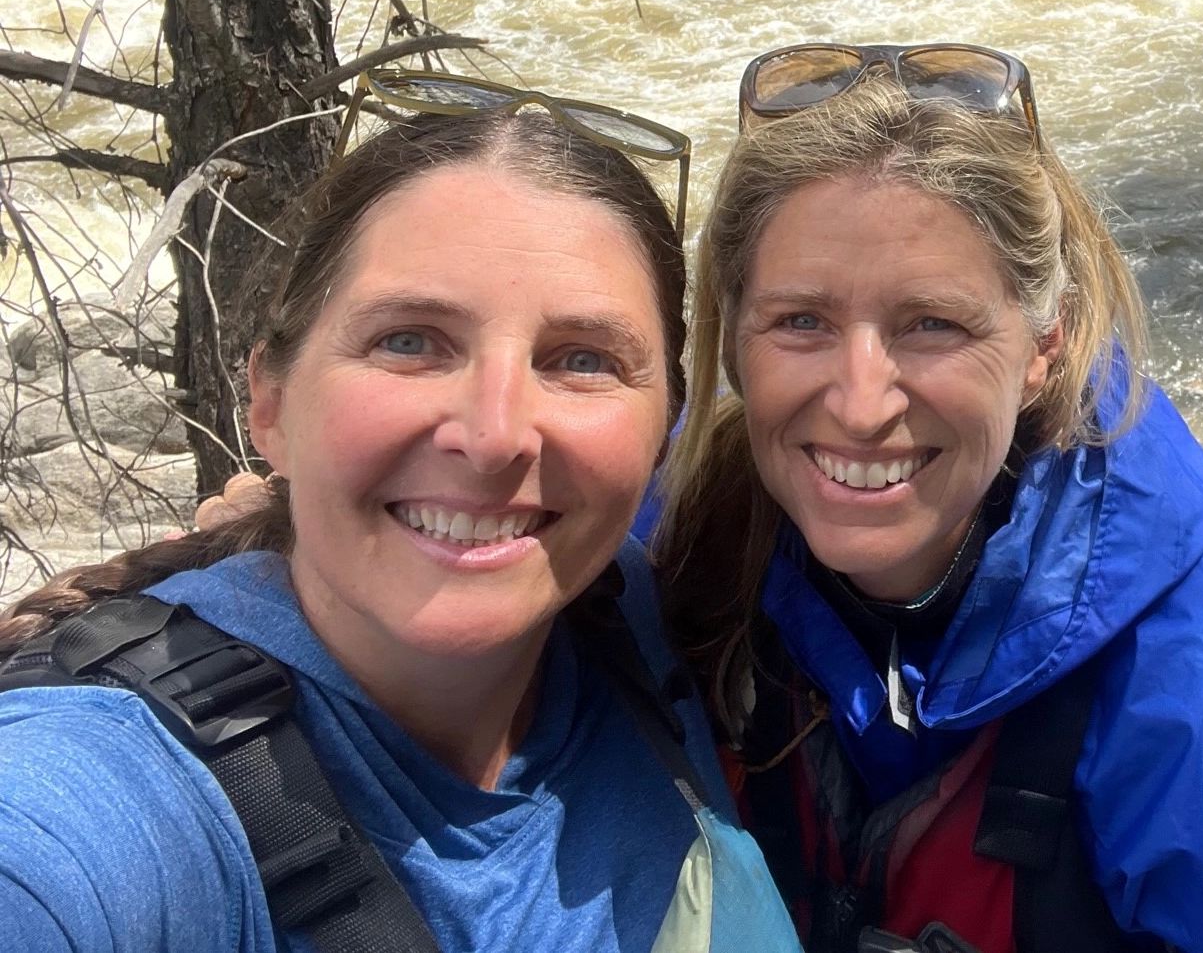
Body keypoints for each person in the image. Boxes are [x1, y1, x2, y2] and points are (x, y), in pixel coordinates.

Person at [0, 87, 801, 953]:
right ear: (270, 403)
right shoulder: (106, 796)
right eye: (409, 342)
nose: (494, 436)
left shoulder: (640, 607)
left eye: (581, 359)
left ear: (661, 434)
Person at [651, 44, 1203, 953]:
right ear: (734, 340)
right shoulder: (678, 549)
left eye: (932, 323)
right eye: (800, 321)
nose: (861, 403)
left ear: (1042, 346)